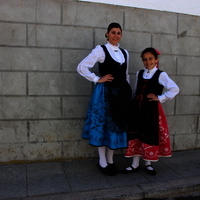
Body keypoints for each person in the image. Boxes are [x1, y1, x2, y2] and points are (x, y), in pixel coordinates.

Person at [77, 22, 132, 176]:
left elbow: (126, 75)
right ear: (107, 34)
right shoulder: (100, 50)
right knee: (104, 126)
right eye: (113, 32)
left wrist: (128, 93)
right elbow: (81, 67)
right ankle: (102, 161)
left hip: (121, 95)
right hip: (105, 94)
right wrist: (97, 79)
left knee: (116, 127)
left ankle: (110, 159)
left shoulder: (125, 53)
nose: (116, 35)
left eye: (119, 33)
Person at [121, 47, 179, 175]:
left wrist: (160, 98)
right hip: (138, 109)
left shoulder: (161, 74)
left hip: (151, 110)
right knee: (136, 133)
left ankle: (148, 163)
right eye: (145, 60)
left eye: (150, 59)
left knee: (148, 133)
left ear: (156, 60)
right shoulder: (139, 73)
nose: (148, 62)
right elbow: (136, 89)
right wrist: (132, 102)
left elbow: (175, 89)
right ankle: (134, 164)